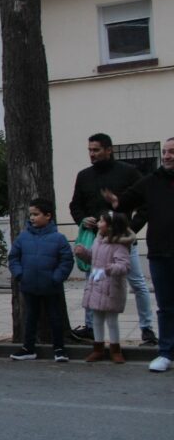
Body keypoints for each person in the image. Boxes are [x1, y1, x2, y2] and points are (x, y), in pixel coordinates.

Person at [69, 133, 154, 345]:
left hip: (124, 243)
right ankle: (90, 327)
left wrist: (129, 228)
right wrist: (82, 219)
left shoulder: (129, 172)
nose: (92, 154)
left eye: (96, 150)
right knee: (93, 281)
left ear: (109, 150)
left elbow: (146, 204)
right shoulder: (84, 175)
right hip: (96, 243)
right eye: (89, 150)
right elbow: (75, 205)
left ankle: (147, 329)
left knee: (137, 283)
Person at [103, 137, 174, 372]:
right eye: (164, 152)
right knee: (165, 306)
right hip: (161, 253)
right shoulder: (152, 181)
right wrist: (116, 201)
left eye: (171, 152)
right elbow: (126, 200)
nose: (166, 156)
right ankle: (166, 353)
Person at [8, 198, 75, 362]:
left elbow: (66, 260)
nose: (32, 218)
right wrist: (20, 274)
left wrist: (56, 278)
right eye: (31, 214)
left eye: (36, 214)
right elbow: (13, 257)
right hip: (29, 285)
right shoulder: (23, 237)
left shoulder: (58, 238)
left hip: (51, 287)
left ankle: (59, 348)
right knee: (30, 318)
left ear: (48, 216)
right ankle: (28, 347)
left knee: (55, 318)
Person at [74, 211, 132, 364]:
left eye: (101, 221)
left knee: (112, 320)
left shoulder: (119, 245)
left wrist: (111, 268)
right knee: (96, 319)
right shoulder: (97, 241)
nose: (98, 223)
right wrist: (83, 253)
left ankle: (115, 349)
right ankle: (98, 349)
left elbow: (125, 266)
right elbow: (92, 257)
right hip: (97, 284)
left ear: (110, 226)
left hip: (112, 287)